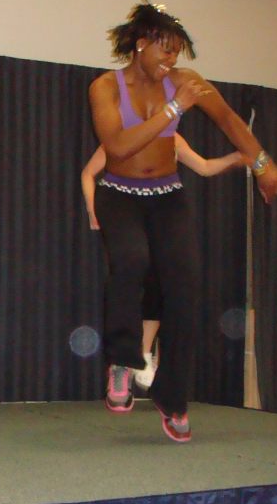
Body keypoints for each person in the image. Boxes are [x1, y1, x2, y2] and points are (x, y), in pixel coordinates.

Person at [87, 0, 277, 442]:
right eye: (166, 49)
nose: (172, 59)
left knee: (184, 286)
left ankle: (172, 396)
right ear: (142, 45)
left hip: (167, 197)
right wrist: (174, 109)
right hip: (119, 194)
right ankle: (122, 361)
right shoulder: (105, 87)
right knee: (131, 261)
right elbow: (117, 148)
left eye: (178, 51)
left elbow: (229, 120)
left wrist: (262, 164)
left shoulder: (184, 81)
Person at [80, 133, 246, 392]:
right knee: (133, 268)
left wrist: (234, 158)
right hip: (124, 211)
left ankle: (145, 354)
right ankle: (124, 360)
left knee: (163, 280)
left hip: (159, 214)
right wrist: (93, 210)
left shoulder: (172, 138)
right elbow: (88, 173)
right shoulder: (121, 135)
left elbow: (203, 166)